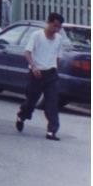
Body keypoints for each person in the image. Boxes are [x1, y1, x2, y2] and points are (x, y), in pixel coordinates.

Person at [16, 12, 66, 141]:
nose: (56, 29)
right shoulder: (36, 36)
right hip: (36, 74)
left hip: (51, 74)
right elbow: (27, 53)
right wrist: (34, 66)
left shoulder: (59, 39)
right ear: (48, 23)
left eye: (59, 27)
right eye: (54, 26)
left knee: (52, 103)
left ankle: (52, 131)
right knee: (32, 100)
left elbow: (58, 56)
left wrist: (55, 70)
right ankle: (22, 115)